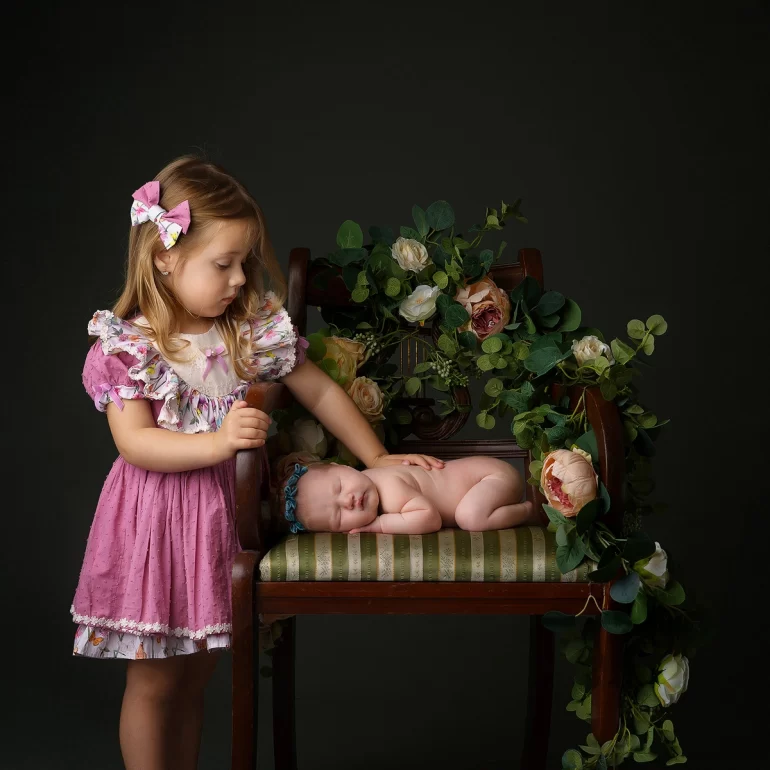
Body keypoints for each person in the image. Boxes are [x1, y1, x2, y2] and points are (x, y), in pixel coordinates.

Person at [71, 155, 443, 770]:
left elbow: (318, 390)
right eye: (223, 264)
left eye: (244, 262)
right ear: (164, 257)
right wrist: (219, 442)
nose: (240, 278)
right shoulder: (131, 345)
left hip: (222, 522)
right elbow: (135, 443)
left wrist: (377, 455)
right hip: (156, 527)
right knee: (154, 682)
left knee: (196, 677)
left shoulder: (247, 330)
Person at [282, 456, 538, 535]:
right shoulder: (369, 480)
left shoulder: (389, 490)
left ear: (344, 467)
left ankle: (529, 510)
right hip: (488, 481)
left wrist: (379, 525)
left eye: (339, 487)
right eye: (338, 515)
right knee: (469, 514)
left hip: (492, 477)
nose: (347, 500)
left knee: (469, 517)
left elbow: (429, 518)